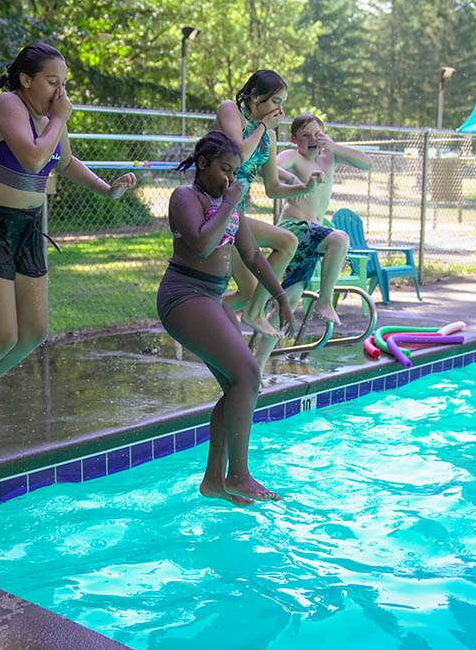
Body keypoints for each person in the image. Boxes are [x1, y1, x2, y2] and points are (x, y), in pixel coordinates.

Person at [0, 42, 136, 442]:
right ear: (26, 80)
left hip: (28, 224)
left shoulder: (49, 117)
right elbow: (31, 159)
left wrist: (106, 189)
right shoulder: (8, 104)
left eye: (63, 84)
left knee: (34, 331)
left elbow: (62, 161)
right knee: (3, 335)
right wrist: (59, 119)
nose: (59, 92)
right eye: (51, 82)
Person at [157, 131, 296, 505]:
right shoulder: (185, 197)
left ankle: (214, 481)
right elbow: (201, 245)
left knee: (240, 384)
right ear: (203, 164)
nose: (230, 180)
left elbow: (252, 255)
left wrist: (280, 297)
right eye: (224, 170)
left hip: (211, 297)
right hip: (184, 295)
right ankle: (239, 475)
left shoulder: (228, 204)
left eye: (235, 173)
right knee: (248, 374)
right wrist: (228, 205)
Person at [250, 112, 373, 371]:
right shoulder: (295, 157)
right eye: (305, 135)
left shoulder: (330, 157)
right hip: (294, 229)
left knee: (289, 304)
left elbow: (366, 163)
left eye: (317, 134)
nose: (312, 139)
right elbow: (267, 166)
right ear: (295, 139)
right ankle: (324, 301)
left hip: (312, 236)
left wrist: (334, 145)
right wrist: (292, 179)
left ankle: (256, 368)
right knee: (339, 239)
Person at [212, 70, 323, 338]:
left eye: (282, 103)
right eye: (276, 101)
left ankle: (191, 316)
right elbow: (237, 151)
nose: (280, 110)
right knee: (288, 242)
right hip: (215, 207)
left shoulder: (269, 138)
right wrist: (263, 126)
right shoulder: (231, 111)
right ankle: (254, 314)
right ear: (256, 97)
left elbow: (273, 188)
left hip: (237, 216)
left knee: (250, 293)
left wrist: (303, 187)